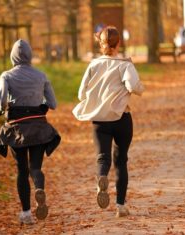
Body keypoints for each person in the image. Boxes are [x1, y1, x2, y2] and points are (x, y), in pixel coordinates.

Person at [72, 26, 144, 217]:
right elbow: (134, 86)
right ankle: (120, 206)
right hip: (121, 118)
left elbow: (80, 94)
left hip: (100, 121)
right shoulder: (125, 65)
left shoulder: (93, 65)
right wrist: (134, 87)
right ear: (118, 43)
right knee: (121, 161)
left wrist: (96, 95)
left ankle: (102, 177)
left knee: (103, 158)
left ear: (101, 44)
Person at [0, 39, 60, 225]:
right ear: (30, 55)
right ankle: (39, 188)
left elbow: (1, 103)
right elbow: (53, 104)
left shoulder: (6, 76)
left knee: (22, 170)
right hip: (39, 127)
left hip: (17, 129)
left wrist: (2, 109)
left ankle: (26, 213)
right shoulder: (41, 76)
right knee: (36, 168)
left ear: (12, 56)